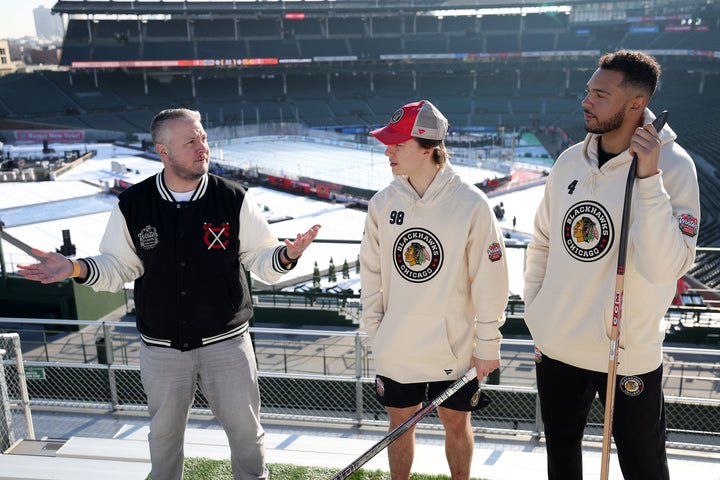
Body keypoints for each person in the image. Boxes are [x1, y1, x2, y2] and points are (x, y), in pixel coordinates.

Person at [17, 108, 321, 480]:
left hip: (227, 345)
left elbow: (262, 260)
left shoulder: (234, 199)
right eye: (190, 141)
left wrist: (287, 255)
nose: (202, 147)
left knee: (246, 435)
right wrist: (76, 267)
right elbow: (119, 266)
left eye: (203, 138)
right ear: (163, 151)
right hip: (160, 349)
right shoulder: (134, 204)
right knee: (163, 437)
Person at [523, 50, 700, 479]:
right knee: (561, 455)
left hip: (626, 352)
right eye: (588, 91)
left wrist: (648, 179)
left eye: (600, 94)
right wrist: (537, 311)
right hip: (559, 344)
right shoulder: (569, 160)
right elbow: (544, 240)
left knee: (642, 464)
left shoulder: (674, 168)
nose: (586, 101)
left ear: (635, 105)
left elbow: (665, 268)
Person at [360, 100, 509, 480]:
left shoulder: (472, 204)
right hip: (397, 347)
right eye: (387, 143)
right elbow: (371, 275)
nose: (387, 151)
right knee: (399, 427)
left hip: (454, 347)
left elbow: (490, 281)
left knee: (457, 426)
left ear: (428, 148)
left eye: (398, 144)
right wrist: (374, 333)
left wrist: (488, 346)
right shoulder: (382, 204)